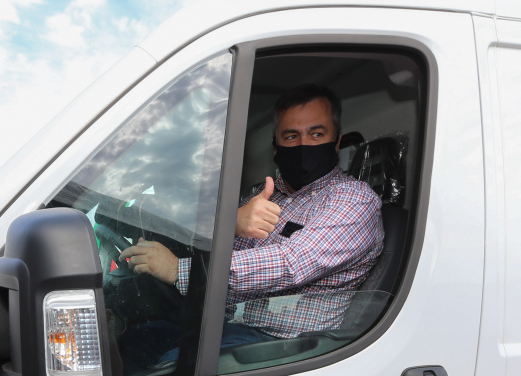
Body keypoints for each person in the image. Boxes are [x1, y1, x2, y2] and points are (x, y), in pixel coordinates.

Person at [119, 84, 384, 348]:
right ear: (276, 146)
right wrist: (230, 224)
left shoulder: (354, 199)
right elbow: (214, 243)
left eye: (316, 134)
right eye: (291, 137)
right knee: (129, 336)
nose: (303, 145)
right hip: (220, 320)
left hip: (277, 345)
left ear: (336, 141)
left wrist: (179, 270)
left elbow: (290, 263)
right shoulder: (264, 193)